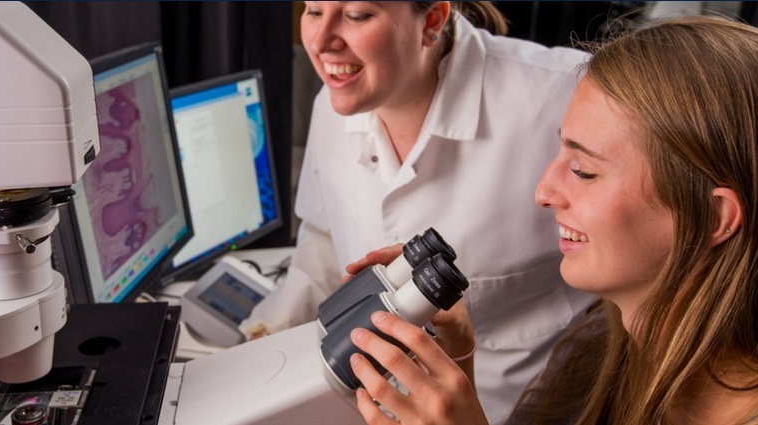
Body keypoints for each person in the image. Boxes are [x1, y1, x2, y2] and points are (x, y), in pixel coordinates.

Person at [347, 15, 758, 424]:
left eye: (584, 171)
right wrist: (458, 361)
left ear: (713, 217)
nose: (543, 193)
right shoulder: (599, 346)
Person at [240, 2, 598, 421]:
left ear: (431, 20)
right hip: (370, 404)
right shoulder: (333, 102)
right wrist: (260, 335)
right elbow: (322, 235)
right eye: (314, 10)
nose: (318, 42)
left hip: (522, 409)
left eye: (356, 15)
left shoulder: (564, 92)